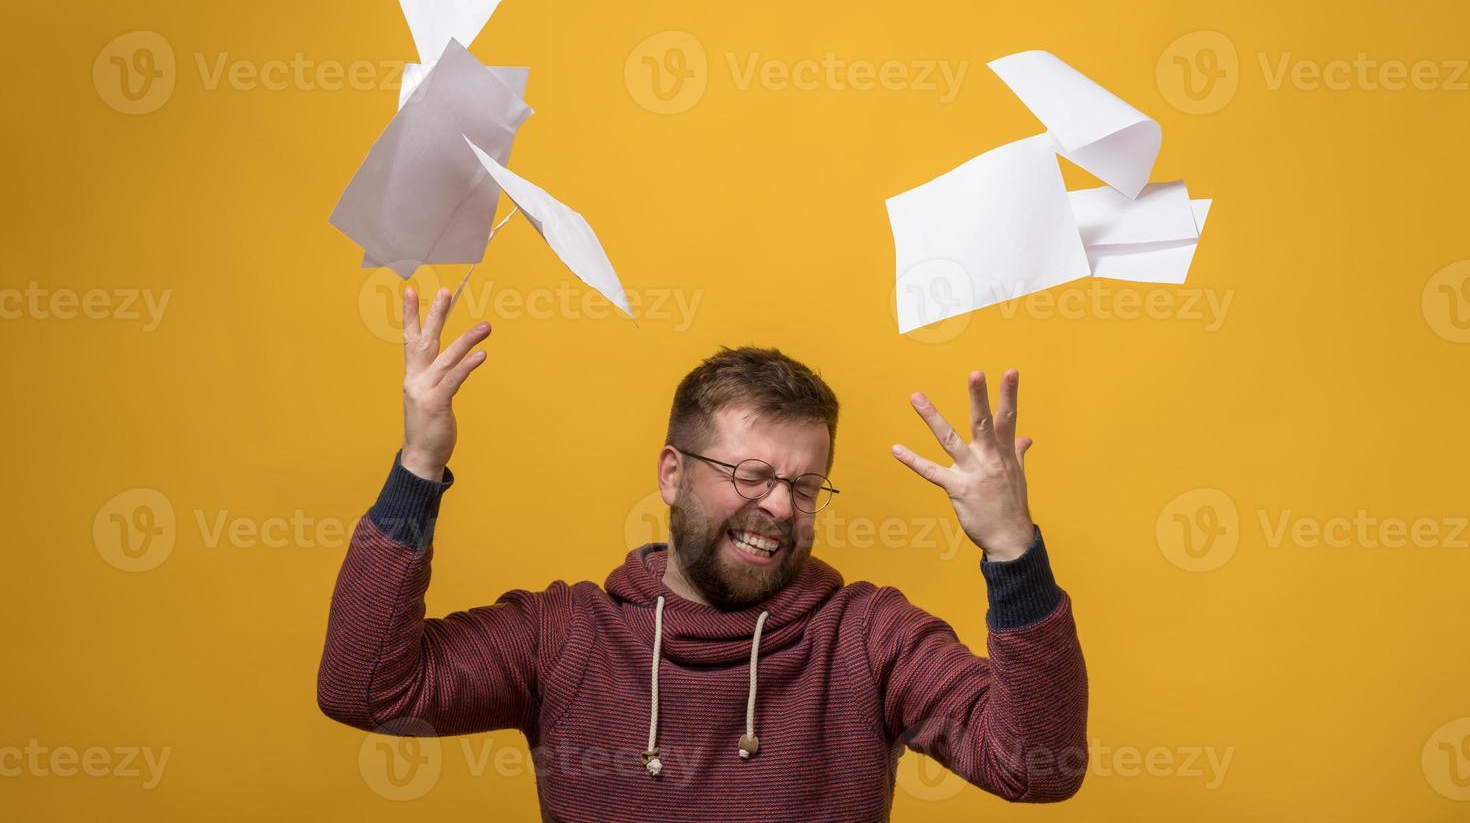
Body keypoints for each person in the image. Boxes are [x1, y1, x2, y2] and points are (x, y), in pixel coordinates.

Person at [318, 286, 1088, 820]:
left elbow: (1035, 766)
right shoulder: (567, 636)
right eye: (752, 476)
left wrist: (1013, 550)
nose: (781, 507)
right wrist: (419, 467)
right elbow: (368, 691)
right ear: (672, 473)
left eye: (806, 484)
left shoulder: (868, 637)